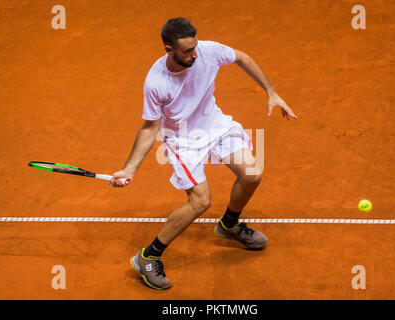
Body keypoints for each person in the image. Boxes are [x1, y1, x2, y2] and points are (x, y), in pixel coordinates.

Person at [109, 17, 297, 290]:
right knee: (200, 201)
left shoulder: (207, 51)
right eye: (187, 51)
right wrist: (130, 169)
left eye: (195, 47)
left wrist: (272, 92)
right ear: (168, 50)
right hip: (182, 139)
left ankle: (229, 225)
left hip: (214, 123)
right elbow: (150, 127)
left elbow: (242, 58)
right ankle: (148, 256)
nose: (194, 54)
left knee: (252, 175)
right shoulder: (156, 82)